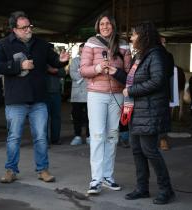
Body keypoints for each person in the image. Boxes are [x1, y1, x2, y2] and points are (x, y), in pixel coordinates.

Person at [0, 11, 69, 183]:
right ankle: (11, 170)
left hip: (39, 99)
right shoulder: (3, 45)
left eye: (30, 26)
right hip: (16, 99)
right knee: (14, 137)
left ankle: (42, 170)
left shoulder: (42, 44)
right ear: (14, 29)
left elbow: (55, 62)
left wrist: (63, 60)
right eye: (24, 27)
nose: (28, 30)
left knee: (41, 136)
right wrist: (19, 65)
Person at [119, 21, 174, 204]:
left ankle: (166, 190)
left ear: (143, 36)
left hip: (150, 111)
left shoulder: (156, 55)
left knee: (150, 150)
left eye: (133, 34)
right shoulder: (141, 56)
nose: (131, 38)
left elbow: (157, 81)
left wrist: (132, 91)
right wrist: (115, 73)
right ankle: (142, 188)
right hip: (137, 110)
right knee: (137, 150)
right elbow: (131, 80)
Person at [80, 12, 132, 194]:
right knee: (97, 135)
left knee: (112, 135)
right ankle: (96, 179)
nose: (105, 26)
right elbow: (83, 70)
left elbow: (128, 74)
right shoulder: (91, 42)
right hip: (96, 94)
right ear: (98, 26)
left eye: (108, 24)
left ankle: (108, 177)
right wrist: (98, 68)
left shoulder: (124, 44)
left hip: (117, 95)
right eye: (102, 24)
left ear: (113, 25)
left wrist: (115, 71)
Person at [69, 43, 90, 145]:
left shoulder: (91, 61)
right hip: (76, 94)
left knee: (89, 117)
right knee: (76, 116)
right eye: (80, 51)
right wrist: (85, 74)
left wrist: (82, 72)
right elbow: (72, 73)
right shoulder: (74, 61)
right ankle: (77, 136)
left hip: (89, 93)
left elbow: (92, 73)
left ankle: (89, 136)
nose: (82, 53)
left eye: (84, 51)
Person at [46, 63, 66, 145]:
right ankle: (44, 140)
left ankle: (55, 139)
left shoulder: (56, 59)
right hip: (43, 93)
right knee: (44, 117)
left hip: (56, 92)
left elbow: (63, 73)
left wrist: (55, 70)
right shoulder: (41, 57)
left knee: (56, 117)